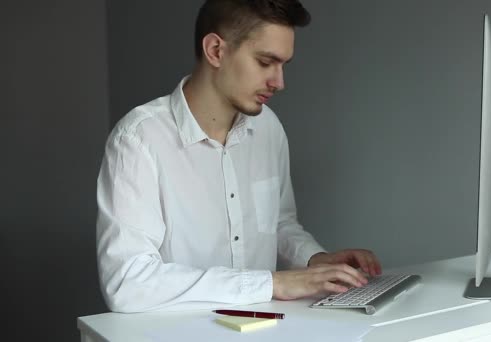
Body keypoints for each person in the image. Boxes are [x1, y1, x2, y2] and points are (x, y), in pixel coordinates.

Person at [96, 0, 382, 313]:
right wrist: (273, 284)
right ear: (216, 50)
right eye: (265, 62)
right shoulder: (138, 139)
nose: (279, 82)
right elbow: (126, 282)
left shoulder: (268, 128)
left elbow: (279, 223)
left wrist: (315, 260)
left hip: (267, 329)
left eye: (283, 65)